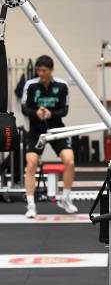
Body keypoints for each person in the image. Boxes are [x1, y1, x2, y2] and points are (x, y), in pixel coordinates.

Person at [21, 55, 77, 218]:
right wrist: (36, 112)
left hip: (57, 129)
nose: (40, 73)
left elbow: (64, 111)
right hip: (36, 130)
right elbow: (24, 108)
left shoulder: (62, 86)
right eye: (38, 70)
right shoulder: (30, 85)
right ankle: (31, 205)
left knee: (70, 160)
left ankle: (65, 199)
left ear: (51, 70)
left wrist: (51, 113)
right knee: (31, 164)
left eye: (44, 70)